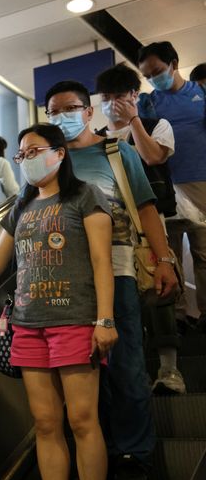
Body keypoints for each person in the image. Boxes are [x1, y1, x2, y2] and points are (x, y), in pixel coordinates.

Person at [0, 123, 116, 480]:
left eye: (34, 151)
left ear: (59, 153)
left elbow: (101, 262)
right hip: (28, 326)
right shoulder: (22, 205)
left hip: (76, 321)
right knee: (47, 425)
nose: (26, 160)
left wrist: (106, 320)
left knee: (82, 421)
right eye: (22, 155)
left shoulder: (85, 196)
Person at [45, 79, 179, 480]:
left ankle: (133, 456)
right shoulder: (51, 161)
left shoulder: (115, 152)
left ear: (88, 111)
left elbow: (144, 207)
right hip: (65, 281)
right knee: (80, 372)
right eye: (53, 112)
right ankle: (96, 454)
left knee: (126, 366)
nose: (61, 117)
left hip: (118, 273)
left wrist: (165, 260)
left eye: (70, 108)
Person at [94, 63, 185, 395]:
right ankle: (137, 375)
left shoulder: (155, 125)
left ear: (134, 95)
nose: (112, 104)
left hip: (149, 220)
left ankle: (170, 370)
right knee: (125, 301)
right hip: (112, 229)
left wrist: (133, 120)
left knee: (160, 293)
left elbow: (153, 158)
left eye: (119, 96)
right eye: (107, 97)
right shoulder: (96, 139)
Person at [138, 43, 206, 332]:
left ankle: (204, 314)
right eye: (148, 75)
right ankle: (177, 318)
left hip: (201, 183)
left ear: (174, 64)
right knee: (170, 255)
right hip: (165, 189)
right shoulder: (149, 103)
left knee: (204, 253)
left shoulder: (200, 94)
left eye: (157, 71)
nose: (154, 79)